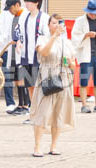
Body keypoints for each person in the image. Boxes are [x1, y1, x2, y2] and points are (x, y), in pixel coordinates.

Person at [30, 14, 78, 157]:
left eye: (60, 23)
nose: (57, 26)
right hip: (47, 75)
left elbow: (74, 66)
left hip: (64, 78)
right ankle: (37, 146)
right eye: (54, 23)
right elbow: (44, 53)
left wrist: (70, 63)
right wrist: (54, 37)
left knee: (59, 113)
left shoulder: (67, 42)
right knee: (42, 112)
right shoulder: (42, 39)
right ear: (49, 25)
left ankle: (54, 145)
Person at [18, 0, 49, 121]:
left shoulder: (44, 18)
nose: (27, 4)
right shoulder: (23, 17)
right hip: (26, 56)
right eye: (26, 1)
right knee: (30, 86)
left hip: (39, 57)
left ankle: (43, 113)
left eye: (29, 2)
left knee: (40, 87)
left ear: (37, 3)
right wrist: (19, 41)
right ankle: (33, 112)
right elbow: (18, 32)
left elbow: (47, 36)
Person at [0, 0, 25, 114]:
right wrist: (0, 41)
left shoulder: (23, 15)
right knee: (8, 77)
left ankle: (24, 104)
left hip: (18, 51)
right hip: (6, 49)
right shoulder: (5, 15)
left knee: (22, 78)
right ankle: (11, 103)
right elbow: (0, 31)